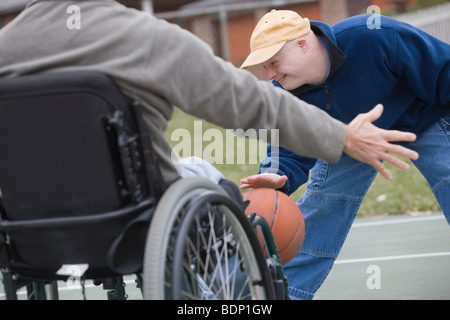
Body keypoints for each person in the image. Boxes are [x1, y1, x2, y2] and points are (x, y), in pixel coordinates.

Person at [0, 0, 418, 189]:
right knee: (200, 171)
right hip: (131, 215)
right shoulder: (147, 39)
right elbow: (250, 105)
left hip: (26, 225)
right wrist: (342, 136)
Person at [240, 9, 449, 299]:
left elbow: (441, 68)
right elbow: (286, 146)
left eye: (273, 62)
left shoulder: (371, 36)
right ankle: (286, 296)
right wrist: (276, 174)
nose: (270, 74)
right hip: (350, 140)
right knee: (322, 209)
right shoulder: (284, 91)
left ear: (302, 43)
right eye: (265, 67)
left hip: (422, 118)